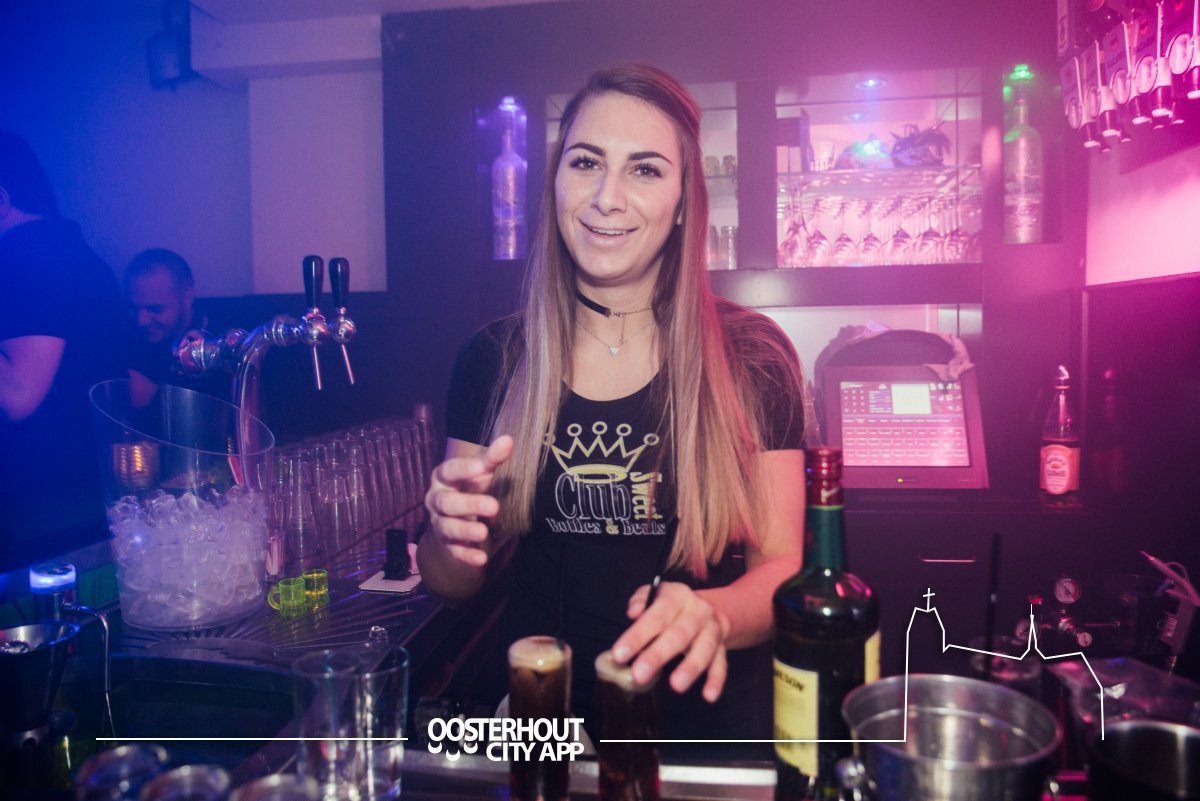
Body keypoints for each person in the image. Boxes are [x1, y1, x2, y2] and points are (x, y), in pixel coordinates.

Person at [418, 64, 807, 750]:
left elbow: (781, 569)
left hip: (705, 741)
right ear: (555, 182)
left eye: (645, 170)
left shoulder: (753, 356)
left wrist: (715, 614)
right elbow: (452, 584)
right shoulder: (495, 358)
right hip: (545, 730)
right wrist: (448, 540)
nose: (606, 197)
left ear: (684, 202)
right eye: (586, 162)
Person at [0, 130, 129, 569]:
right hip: (84, 499)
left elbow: (18, 394)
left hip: (35, 509)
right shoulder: (82, 258)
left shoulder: (27, 256)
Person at [124, 248, 231, 401]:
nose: (142, 321)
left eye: (155, 309)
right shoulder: (126, 339)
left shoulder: (221, 347)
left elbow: (223, 411)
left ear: (187, 297)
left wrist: (156, 396)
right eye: (134, 308)